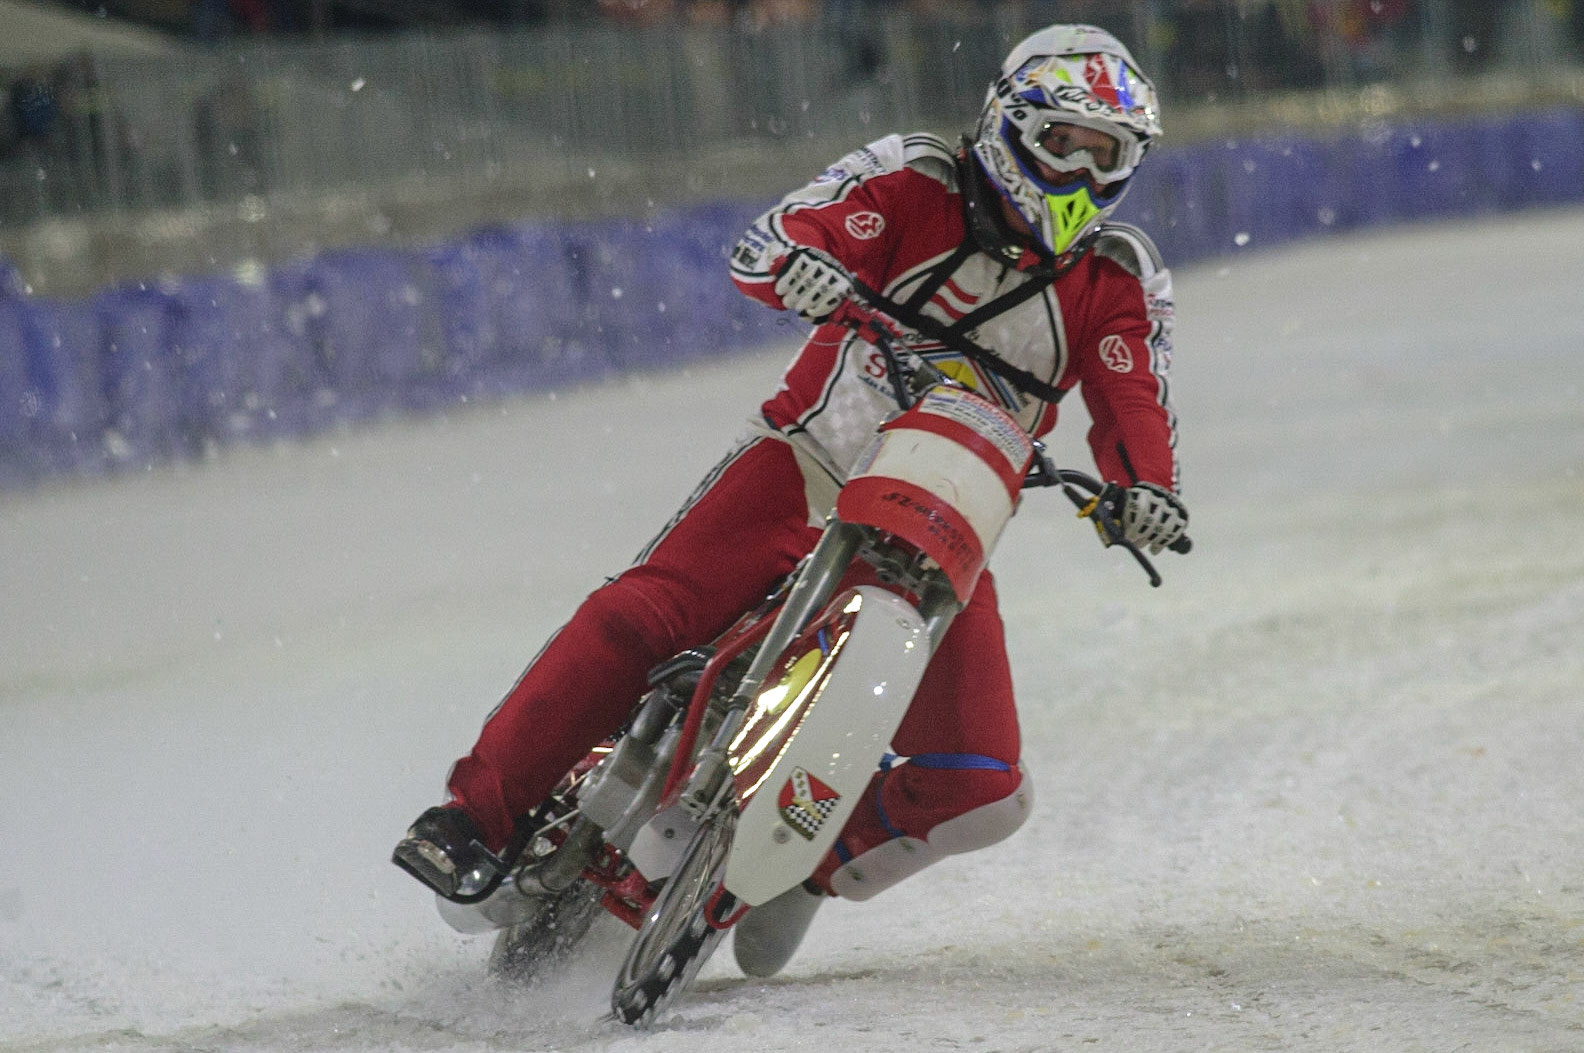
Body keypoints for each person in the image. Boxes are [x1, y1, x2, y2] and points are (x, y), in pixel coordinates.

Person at [394, 23, 1187, 978]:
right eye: (1062, 141)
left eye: (1107, 155)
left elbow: (1135, 396)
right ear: (1008, 125)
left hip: (945, 530)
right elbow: (776, 237)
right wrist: (795, 266)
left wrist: (1148, 491)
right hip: (807, 462)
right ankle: (472, 813)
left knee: (984, 785)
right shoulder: (914, 176)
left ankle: (802, 868)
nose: (1079, 173)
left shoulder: (1120, 277)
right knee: (636, 615)